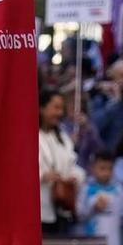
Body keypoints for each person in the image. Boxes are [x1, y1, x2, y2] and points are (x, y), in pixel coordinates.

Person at [37, 88, 83, 234]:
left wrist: (74, 176)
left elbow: (72, 164)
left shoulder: (63, 138)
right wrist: (42, 175)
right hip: (38, 206)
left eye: (61, 109)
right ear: (42, 108)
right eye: (55, 108)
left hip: (61, 205)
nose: (60, 113)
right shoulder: (28, 135)